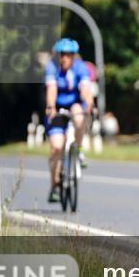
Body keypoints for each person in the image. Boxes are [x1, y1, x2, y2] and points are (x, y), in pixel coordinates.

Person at [44, 38, 94, 203]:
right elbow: (51, 89)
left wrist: (89, 104)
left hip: (73, 105)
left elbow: (86, 89)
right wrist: (51, 106)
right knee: (57, 148)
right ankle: (54, 186)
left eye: (68, 55)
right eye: (61, 55)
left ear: (73, 56)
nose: (64, 58)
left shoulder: (80, 67)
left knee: (79, 116)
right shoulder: (52, 67)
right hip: (57, 110)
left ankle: (78, 149)